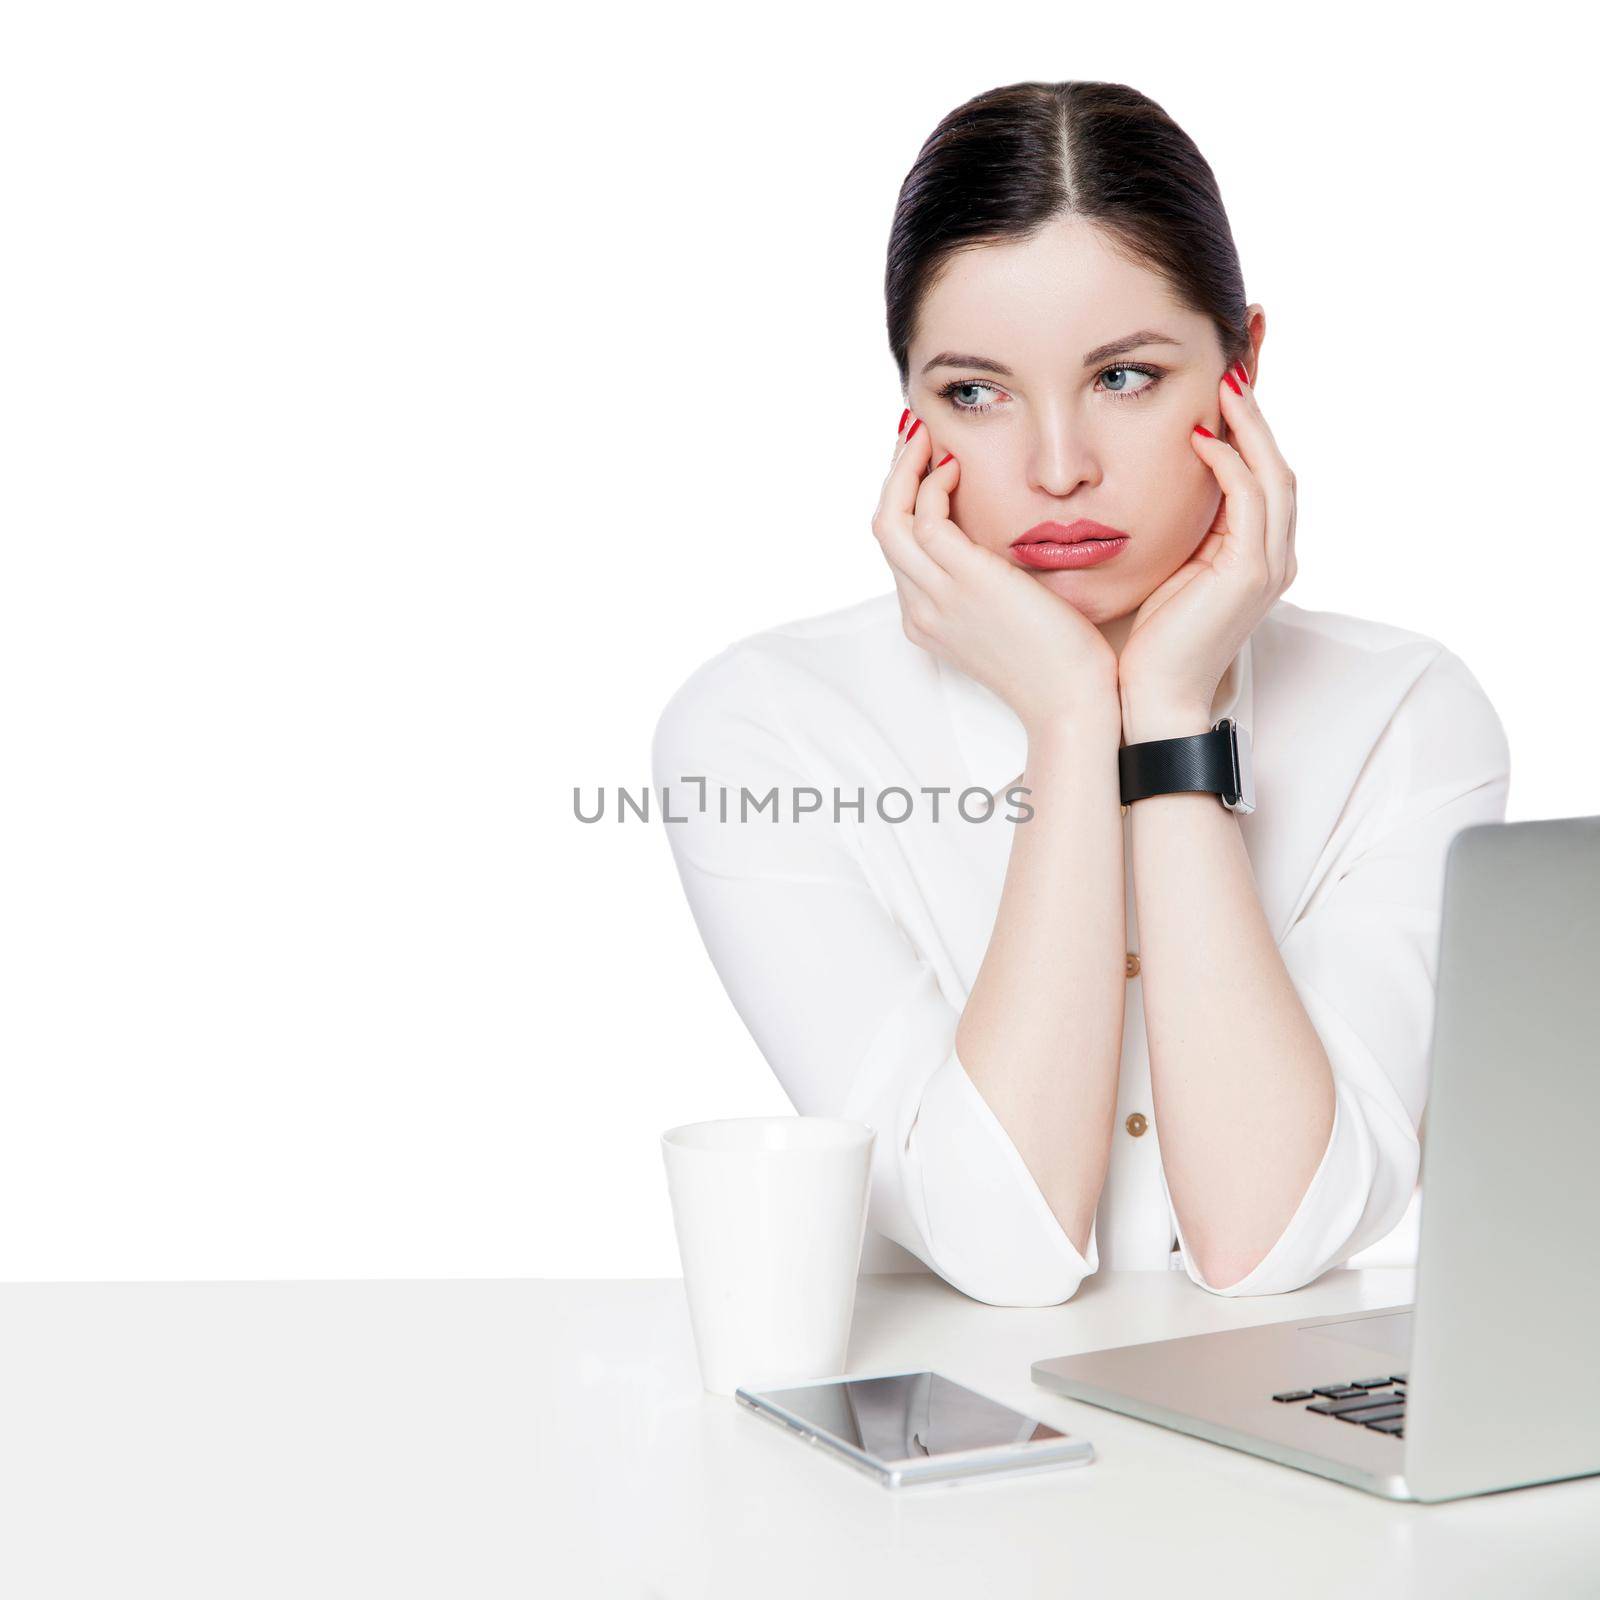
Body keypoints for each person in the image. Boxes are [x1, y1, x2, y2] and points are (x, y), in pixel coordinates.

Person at [650, 80, 1509, 1308]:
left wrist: (1166, 710)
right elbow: (998, 1245)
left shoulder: (1406, 718)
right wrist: (1068, 720)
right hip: (927, 1473)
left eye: (1123, 377)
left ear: (1242, 366)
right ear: (908, 414)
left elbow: (1262, 1239)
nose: (1058, 470)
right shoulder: (760, 730)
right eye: (975, 393)